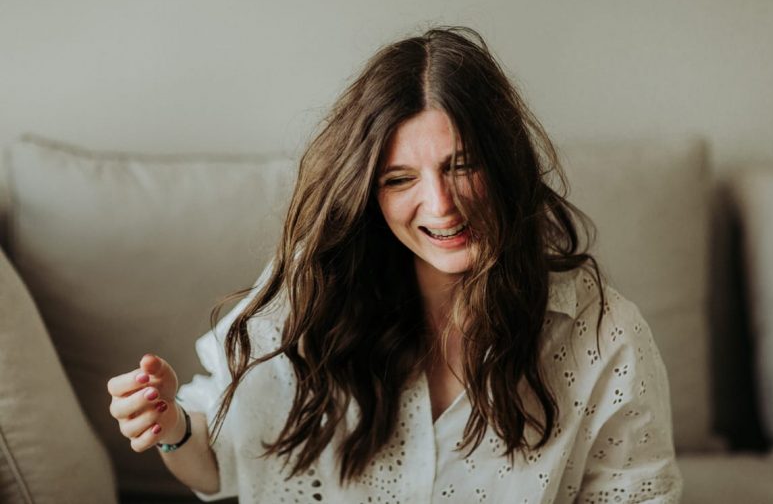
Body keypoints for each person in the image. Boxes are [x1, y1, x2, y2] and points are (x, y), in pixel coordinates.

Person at [107, 26, 682, 503]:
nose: (440, 205)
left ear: (505, 164)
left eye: (461, 166)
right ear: (370, 193)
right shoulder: (317, 292)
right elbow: (221, 463)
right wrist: (169, 428)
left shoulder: (605, 335)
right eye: (400, 179)